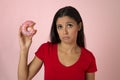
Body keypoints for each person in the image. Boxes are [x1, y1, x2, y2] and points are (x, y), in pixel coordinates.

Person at [18, 6, 97, 80]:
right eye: (60, 27)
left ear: (79, 26)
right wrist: (24, 49)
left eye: (69, 25)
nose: (64, 32)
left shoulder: (88, 57)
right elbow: (23, 78)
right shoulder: (46, 49)